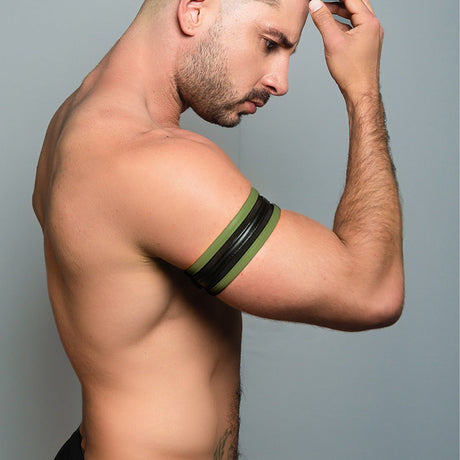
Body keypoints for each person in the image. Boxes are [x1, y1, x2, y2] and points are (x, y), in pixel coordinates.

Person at [33, 0, 404, 457]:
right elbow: (373, 290)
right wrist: (362, 91)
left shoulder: (72, 122)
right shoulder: (154, 164)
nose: (280, 81)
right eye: (270, 43)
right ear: (193, 10)